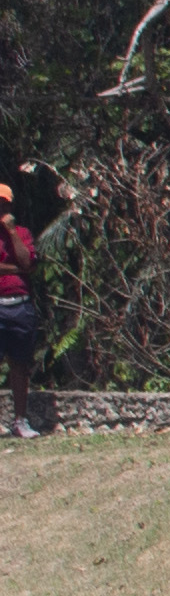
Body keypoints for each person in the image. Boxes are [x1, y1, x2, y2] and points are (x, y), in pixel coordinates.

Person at [0, 170, 44, 440]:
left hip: (20, 306)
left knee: (20, 365)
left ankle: (20, 420)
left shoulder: (22, 233)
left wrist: (12, 231)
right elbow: (20, 268)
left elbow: (27, 265)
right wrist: (14, 269)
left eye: (4, 203)